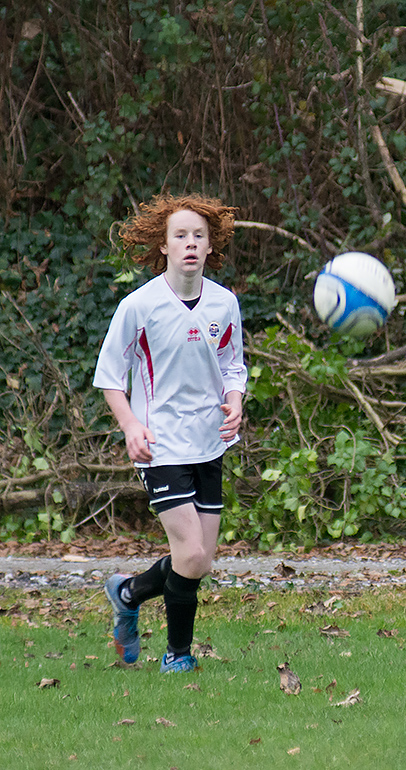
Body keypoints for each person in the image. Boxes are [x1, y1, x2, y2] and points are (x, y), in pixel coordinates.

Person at [93, 193, 247, 673]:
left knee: (199, 562)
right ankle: (177, 656)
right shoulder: (139, 306)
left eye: (198, 236)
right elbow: (110, 378)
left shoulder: (225, 303)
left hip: (209, 442)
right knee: (191, 551)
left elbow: (233, 366)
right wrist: (131, 425)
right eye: (180, 236)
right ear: (163, 245)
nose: (190, 244)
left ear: (210, 245)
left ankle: (128, 592)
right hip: (159, 445)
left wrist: (235, 404)